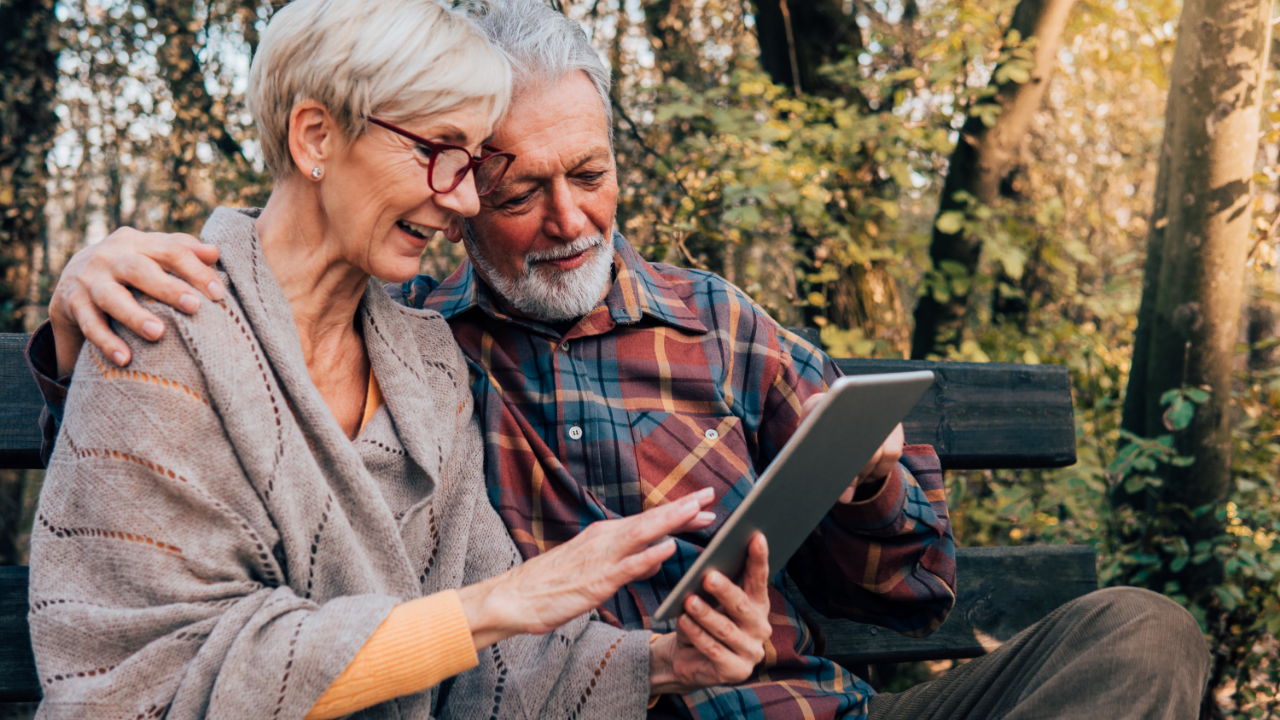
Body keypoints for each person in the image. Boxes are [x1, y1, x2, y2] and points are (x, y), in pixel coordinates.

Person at [32, 0, 1212, 718]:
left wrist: (860, 481)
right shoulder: (431, 334)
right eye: (509, 186)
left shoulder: (717, 323)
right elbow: (210, 450)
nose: (567, 220)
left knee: (1142, 635)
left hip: (797, 706)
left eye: (588, 175)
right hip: (595, 709)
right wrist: (77, 299)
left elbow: (911, 599)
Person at [25, 1, 775, 718]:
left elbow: (494, 662)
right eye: (436, 152)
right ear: (316, 136)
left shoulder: (428, 364)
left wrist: (671, 662)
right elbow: (152, 678)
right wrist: (492, 607)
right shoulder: (154, 325)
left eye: (473, 167)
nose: (466, 203)